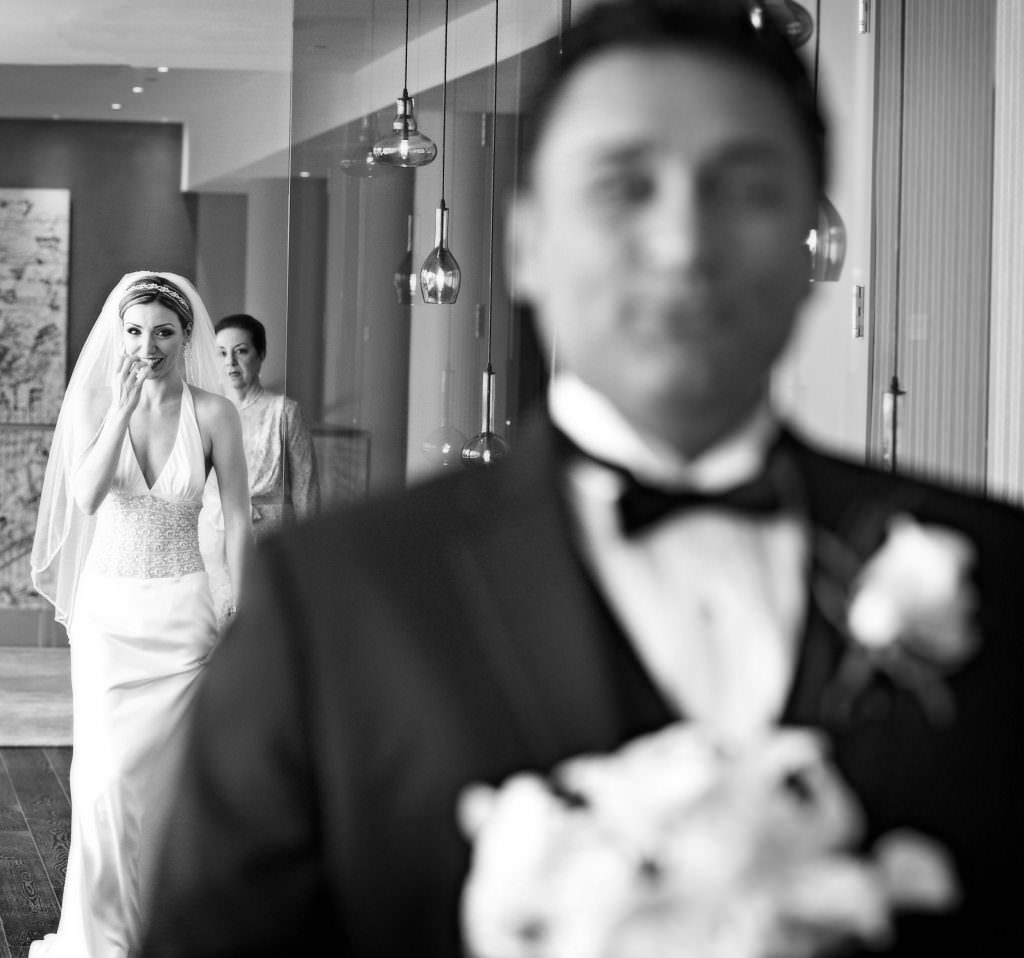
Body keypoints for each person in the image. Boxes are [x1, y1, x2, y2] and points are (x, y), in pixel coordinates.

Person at [140, 2, 1024, 956]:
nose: (684, 244)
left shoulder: (1002, 573)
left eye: (747, 188)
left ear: (814, 232)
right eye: (622, 185)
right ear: (525, 243)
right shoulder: (331, 601)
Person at [29, 271, 251, 957]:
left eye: (162, 332)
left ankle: (168, 929)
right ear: (118, 335)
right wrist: (122, 412)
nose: (146, 346)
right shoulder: (97, 402)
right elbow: (89, 496)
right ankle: (100, 938)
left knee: (171, 784)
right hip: (109, 619)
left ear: (187, 338)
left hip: (184, 614)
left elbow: (239, 517)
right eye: (133, 331)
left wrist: (237, 601)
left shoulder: (215, 414)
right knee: (102, 781)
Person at [213, 313, 320, 540]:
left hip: (274, 539)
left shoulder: (284, 411)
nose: (230, 362)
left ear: (260, 354)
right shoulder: (209, 412)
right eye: (221, 353)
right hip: (216, 533)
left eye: (241, 351)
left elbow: (305, 487)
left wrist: (311, 543)